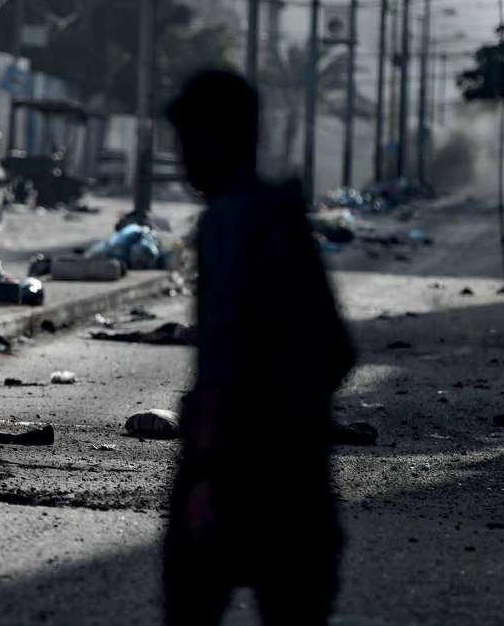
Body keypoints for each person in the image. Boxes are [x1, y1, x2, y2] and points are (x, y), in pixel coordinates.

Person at [162, 70, 356, 625]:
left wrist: (207, 474)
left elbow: (222, 363)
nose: (181, 160)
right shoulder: (281, 215)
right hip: (302, 488)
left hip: (236, 482)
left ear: (213, 140)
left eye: (187, 141)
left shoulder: (230, 225)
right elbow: (338, 350)